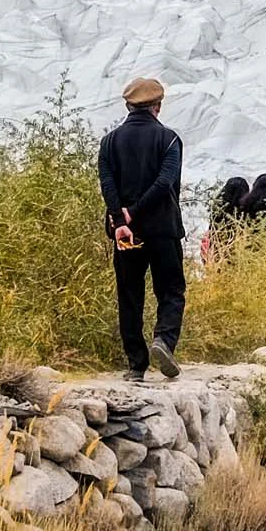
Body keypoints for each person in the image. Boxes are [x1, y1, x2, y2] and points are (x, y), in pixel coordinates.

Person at [97, 76, 185, 380]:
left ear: (128, 106)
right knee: (171, 290)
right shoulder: (169, 140)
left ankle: (136, 365)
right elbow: (166, 183)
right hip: (163, 230)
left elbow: (107, 184)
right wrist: (135, 213)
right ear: (157, 107)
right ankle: (164, 340)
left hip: (125, 235)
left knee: (130, 295)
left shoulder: (109, 142)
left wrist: (121, 220)